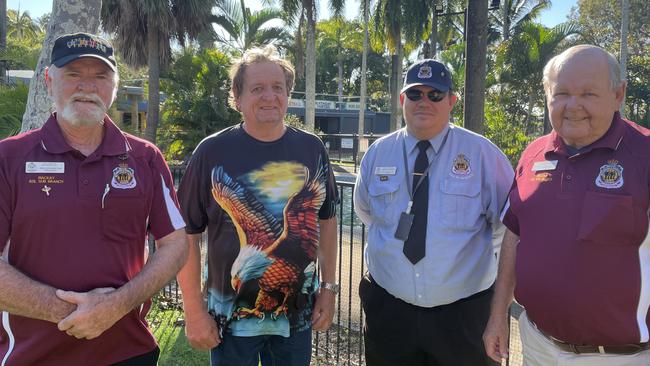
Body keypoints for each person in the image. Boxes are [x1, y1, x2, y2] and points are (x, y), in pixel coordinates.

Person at [0, 32, 188, 365]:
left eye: (100, 76)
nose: (88, 86)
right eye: (74, 74)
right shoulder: (9, 159)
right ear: (49, 80)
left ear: (114, 87)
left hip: (129, 352)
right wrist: (75, 313)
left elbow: (175, 244)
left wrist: (116, 306)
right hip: (33, 356)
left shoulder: (144, 158)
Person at [483, 45, 650, 365]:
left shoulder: (644, 155)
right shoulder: (533, 155)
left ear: (619, 94)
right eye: (561, 93)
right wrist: (496, 316)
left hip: (620, 357)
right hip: (537, 345)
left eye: (588, 93)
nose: (573, 106)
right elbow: (514, 237)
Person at [176, 45, 338, 366]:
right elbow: (186, 234)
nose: (269, 96)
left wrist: (329, 288)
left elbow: (327, 219)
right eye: (257, 88)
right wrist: (194, 311)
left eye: (277, 87)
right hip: (228, 319)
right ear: (237, 97)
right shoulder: (211, 151)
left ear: (288, 94)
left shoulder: (311, 148)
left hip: (295, 319)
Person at [354, 59, 514, 366]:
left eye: (435, 95)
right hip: (390, 312)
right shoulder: (379, 152)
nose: (423, 102)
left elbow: (507, 228)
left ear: (451, 100)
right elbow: (367, 212)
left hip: (462, 317)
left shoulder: (482, 154)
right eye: (415, 95)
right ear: (402, 100)